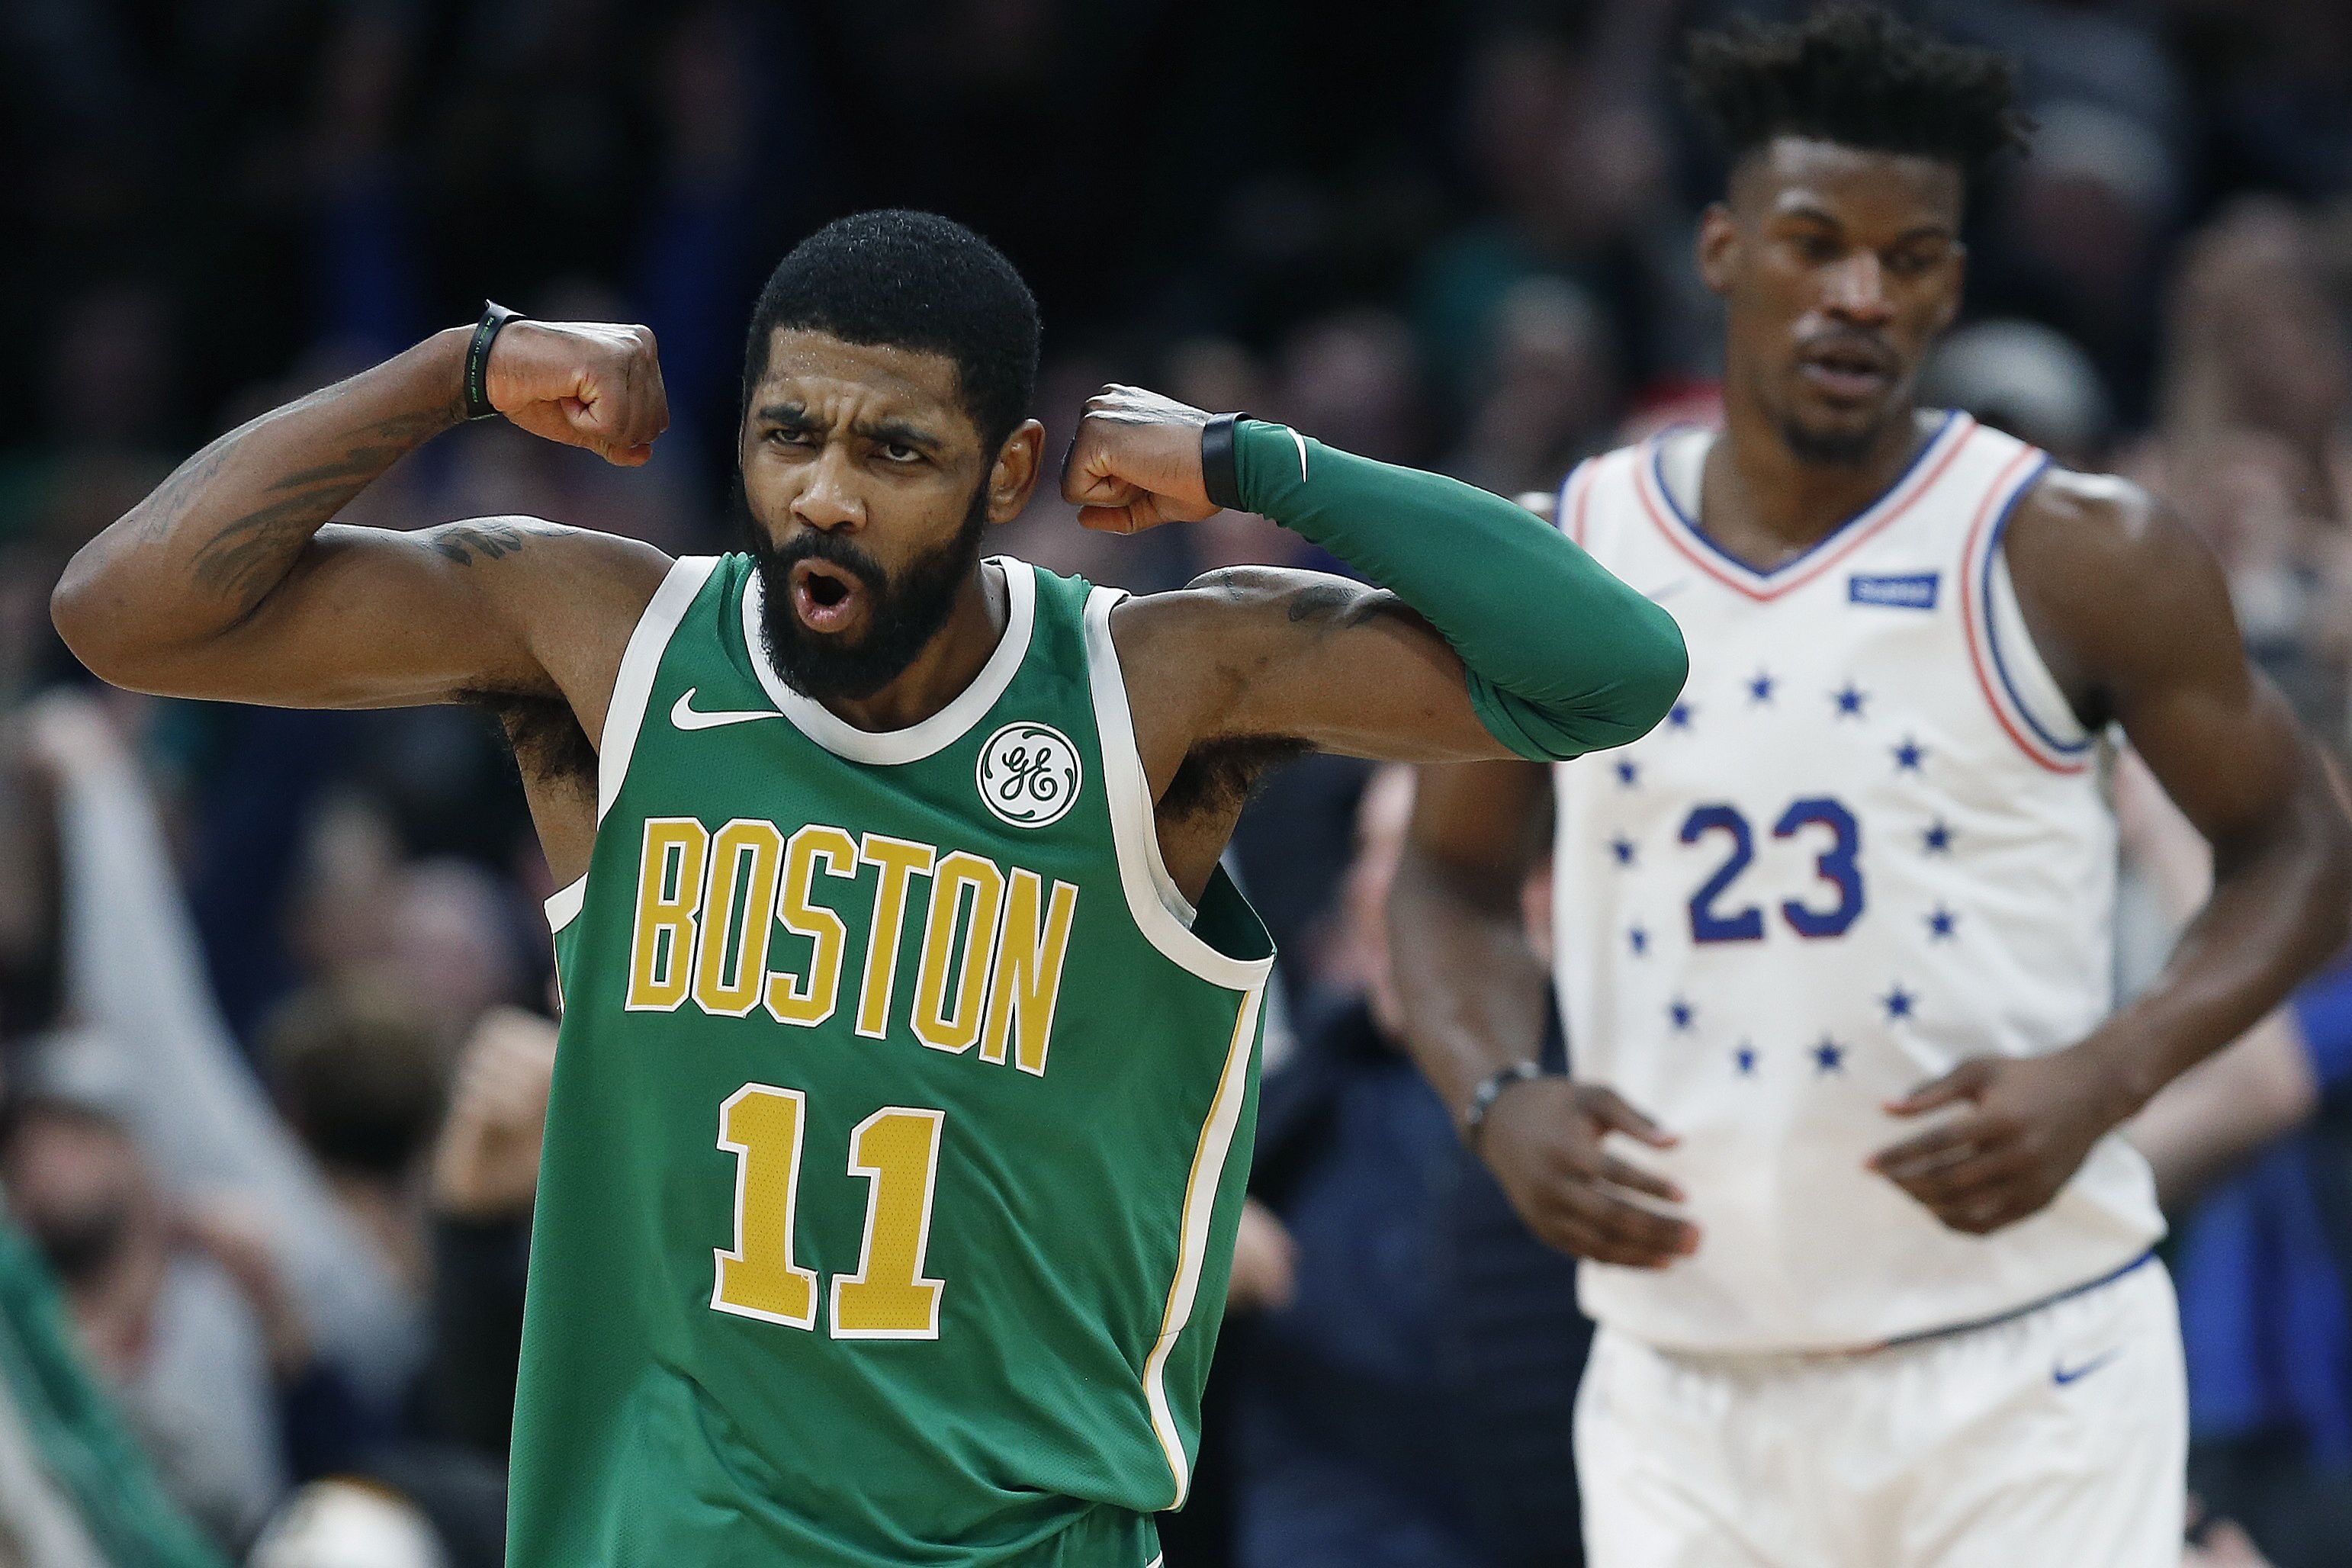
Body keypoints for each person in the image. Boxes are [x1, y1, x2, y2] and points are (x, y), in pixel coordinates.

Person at [49, 210, 1685, 1566]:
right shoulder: (610, 642)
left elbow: (1609, 667)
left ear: (1008, 469)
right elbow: (127, 617)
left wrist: (1254, 461)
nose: (826, 491)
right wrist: (455, 369)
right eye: (789, 434)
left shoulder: (1154, 683)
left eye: (897, 448)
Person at [1389, 11, 2352, 1568]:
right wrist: (1499, 1098)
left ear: (1952, 284)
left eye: (1910, 259)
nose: (1859, 293)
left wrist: (2113, 1070)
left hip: (2027, 1361)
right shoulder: (1562, 554)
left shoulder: (2077, 550)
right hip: (1683, 1379)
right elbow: (1445, 882)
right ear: (1720, 247)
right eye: (1815, 242)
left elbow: (2305, 847)